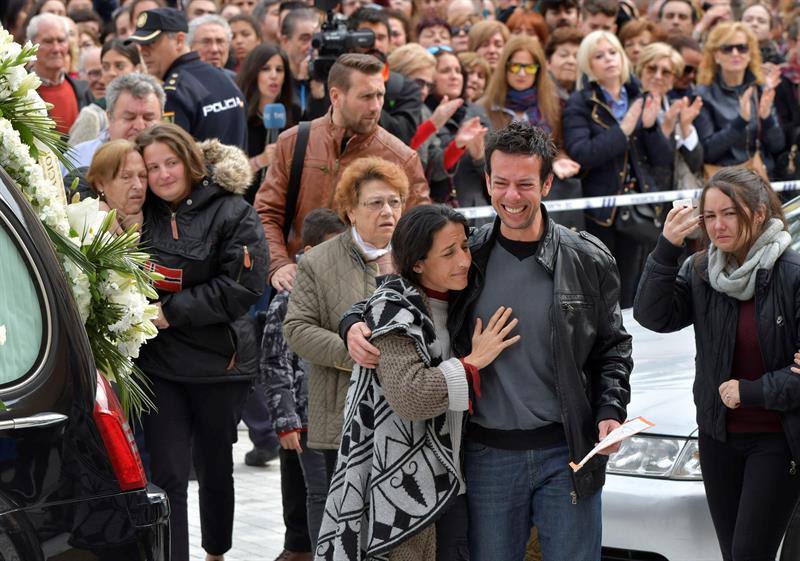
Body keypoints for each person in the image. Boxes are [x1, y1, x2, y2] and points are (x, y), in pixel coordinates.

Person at [343, 122, 633, 561]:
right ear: (486, 181)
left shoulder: (587, 259)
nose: (511, 197)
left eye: (524, 184)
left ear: (548, 184)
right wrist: (353, 321)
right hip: (487, 457)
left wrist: (611, 410)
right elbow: (402, 293)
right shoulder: (467, 256)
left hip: (567, 453)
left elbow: (613, 347)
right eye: (501, 183)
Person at [316, 204, 519, 561]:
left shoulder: (460, 297)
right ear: (418, 264)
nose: (463, 261)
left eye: (465, 247)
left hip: (454, 481)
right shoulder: (395, 308)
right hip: (399, 487)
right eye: (448, 253)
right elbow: (410, 396)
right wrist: (474, 360)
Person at [633, 167, 800, 561]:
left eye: (730, 213)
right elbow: (652, 316)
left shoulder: (791, 275)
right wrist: (666, 248)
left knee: (748, 554)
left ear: (758, 213)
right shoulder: (701, 271)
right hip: (717, 438)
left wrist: (751, 390)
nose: (718, 226)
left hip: (776, 439)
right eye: (709, 216)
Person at [135, 123, 267, 561]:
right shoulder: (138, 212)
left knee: (215, 468)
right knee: (170, 473)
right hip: (159, 365)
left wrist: (171, 312)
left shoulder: (232, 210)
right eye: (152, 167)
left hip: (218, 363)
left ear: (190, 162)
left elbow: (243, 287)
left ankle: (216, 552)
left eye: (171, 163)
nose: (163, 175)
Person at [283, 157, 409, 547]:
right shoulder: (318, 261)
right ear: (351, 211)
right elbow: (296, 328)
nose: (387, 211)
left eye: (395, 201)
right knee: (347, 526)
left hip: (407, 411)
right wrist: (346, 348)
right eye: (375, 203)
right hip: (342, 414)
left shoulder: (417, 254)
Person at [254, 53, 429, 293]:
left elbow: (419, 236)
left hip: (370, 296)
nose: (376, 106)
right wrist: (278, 264)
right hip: (300, 287)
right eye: (366, 96)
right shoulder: (294, 142)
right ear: (336, 96)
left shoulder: (402, 158)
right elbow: (266, 213)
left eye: (380, 95)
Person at [563, 30, 673, 308]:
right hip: (601, 213)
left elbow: (661, 158)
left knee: (633, 285)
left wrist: (649, 127)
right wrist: (622, 130)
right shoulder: (580, 101)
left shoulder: (638, 93)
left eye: (613, 52)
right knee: (603, 286)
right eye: (599, 56)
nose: (609, 60)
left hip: (638, 208)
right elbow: (582, 154)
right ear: (589, 65)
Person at [264, 209, 346, 561]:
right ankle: (318, 553)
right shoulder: (288, 299)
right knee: (317, 491)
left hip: (343, 416)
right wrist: (285, 421)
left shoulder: (347, 292)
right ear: (309, 251)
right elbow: (273, 363)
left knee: (343, 491)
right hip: (306, 418)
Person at [127, 7, 247, 148]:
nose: (143, 51)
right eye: (140, 45)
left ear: (179, 40)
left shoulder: (176, 91)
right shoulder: (224, 77)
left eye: (151, 43)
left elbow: (172, 155)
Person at [694, 22, 784, 180]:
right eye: (727, 48)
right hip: (725, 181)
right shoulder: (703, 94)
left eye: (742, 47)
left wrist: (767, 118)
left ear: (750, 54)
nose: (735, 53)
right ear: (716, 55)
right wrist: (740, 121)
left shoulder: (761, 88)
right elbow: (707, 152)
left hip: (761, 178)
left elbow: (778, 146)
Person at [63, 72, 164, 174]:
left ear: (162, 119)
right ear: (109, 117)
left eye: (148, 118)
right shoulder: (76, 160)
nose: (140, 126)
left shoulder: (173, 165)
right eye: (130, 117)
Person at [636, 42, 704, 190]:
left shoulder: (678, 108)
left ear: (674, 79)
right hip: (643, 198)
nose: (658, 76)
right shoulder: (630, 108)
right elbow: (654, 160)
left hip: (676, 195)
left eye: (666, 72)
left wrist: (686, 128)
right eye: (652, 69)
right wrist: (666, 129)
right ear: (640, 70)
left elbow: (695, 163)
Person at [237, 44, 299, 203]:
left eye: (279, 70)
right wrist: (261, 160)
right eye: (266, 69)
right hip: (246, 205)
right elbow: (229, 173)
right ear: (253, 73)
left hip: (282, 203)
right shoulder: (239, 115)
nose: (274, 76)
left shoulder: (293, 112)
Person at [26, 12, 89, 134]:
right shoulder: (18, 93)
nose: (56, 49)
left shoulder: (83, 90)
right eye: (48, 41)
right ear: (32, 45)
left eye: (61, 40)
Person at [85, 139, 147, 233]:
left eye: (143, 176)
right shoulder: (83, 226)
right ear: (100, 184)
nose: (139, 186)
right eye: (126, 177)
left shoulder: (159, 219)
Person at [544, 27, 582, 101]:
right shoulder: (539, 96)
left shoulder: (586, 96)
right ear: (548, 62)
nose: (571, 61)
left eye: (577, 56)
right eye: (563, 55)